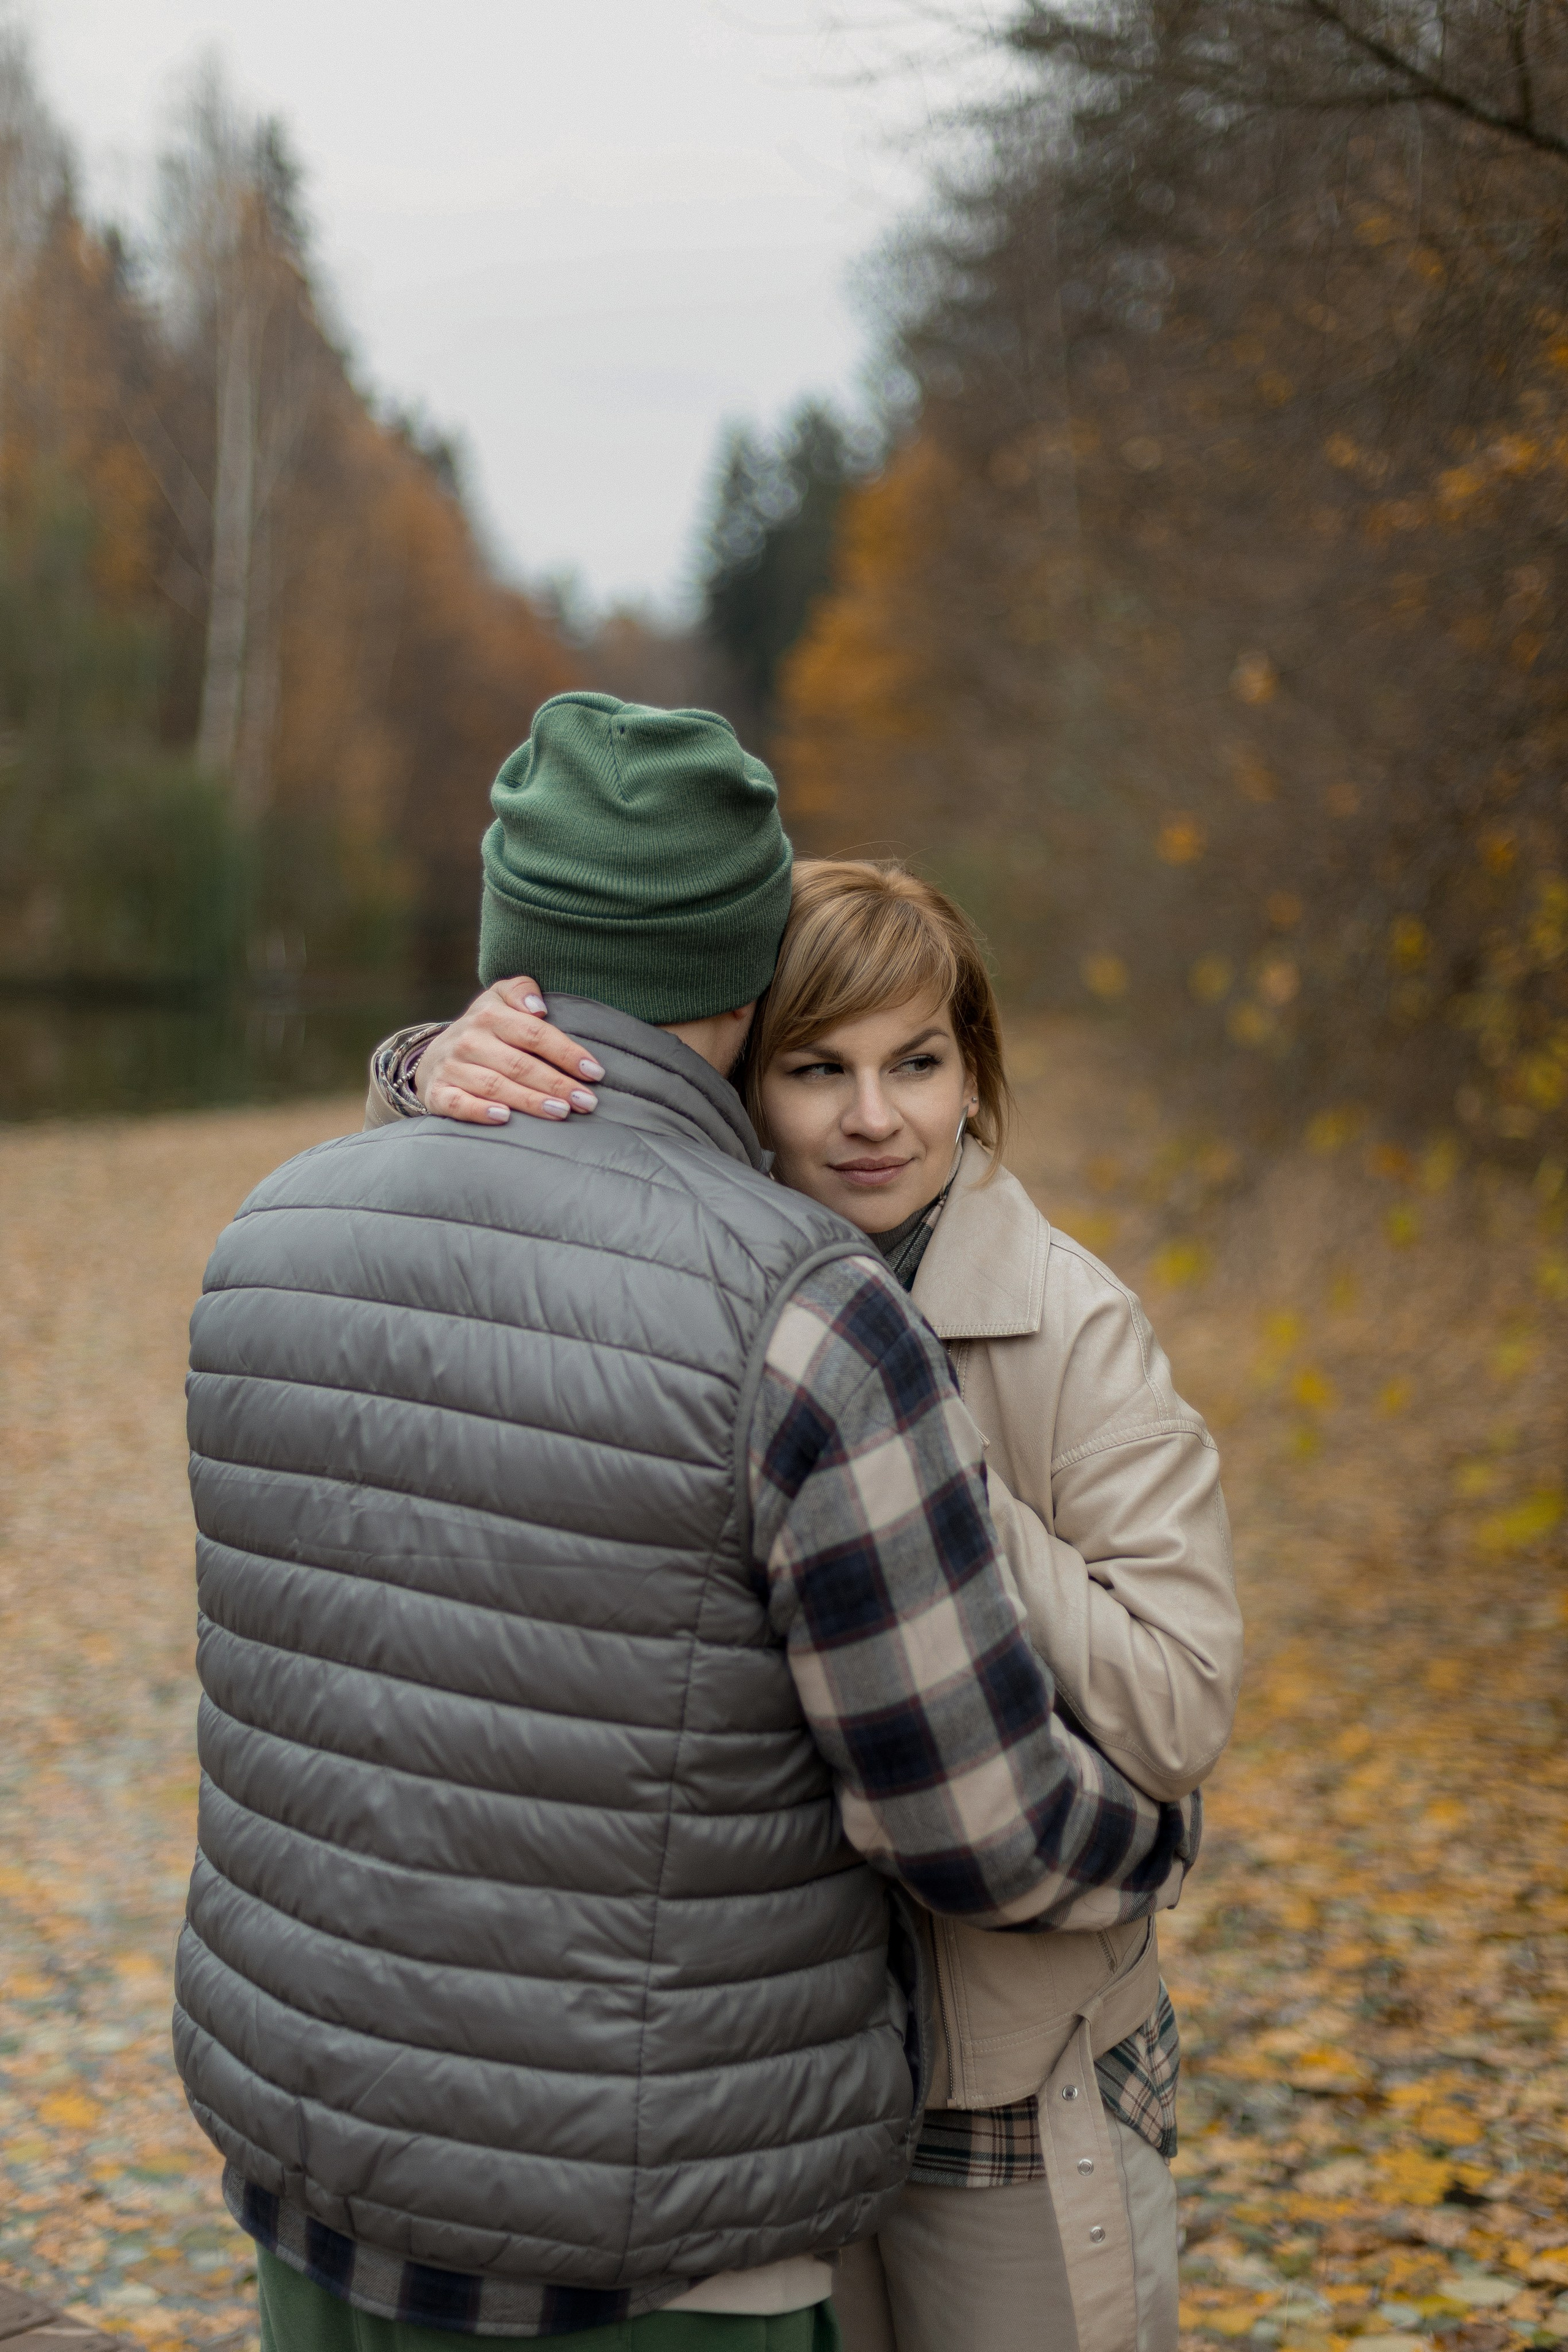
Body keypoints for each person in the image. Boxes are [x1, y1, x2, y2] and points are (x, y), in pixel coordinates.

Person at [177, 694, 1194, 2352]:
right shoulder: (807, 1313)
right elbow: (976, 1824)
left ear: (515, 954)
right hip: (655, 2259)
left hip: (314, 2195)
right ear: (746, 972)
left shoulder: (268, 1236)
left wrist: (415, 1074)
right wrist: (1150, 1834)